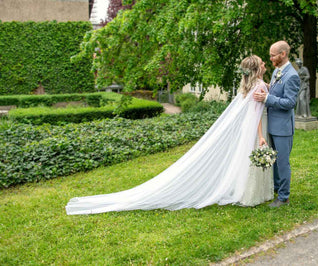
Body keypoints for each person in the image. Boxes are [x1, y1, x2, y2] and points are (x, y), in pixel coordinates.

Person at [66, 55, 273, 215]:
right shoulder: (260, 86)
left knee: (246, 161)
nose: (265, 65)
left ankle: (249, 193)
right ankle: (251, 196)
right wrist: (261, 136)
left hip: (249, 130)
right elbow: (255, 115)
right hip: (256, 130)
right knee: (250, 162)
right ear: (256, 69)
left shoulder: (246, 87)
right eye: (263, 63)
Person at [253, 41, 300, 208]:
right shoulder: (276, 71)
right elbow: (275, 90)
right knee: (274, 161)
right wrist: (264, 87)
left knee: (282, 162)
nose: (270, 58)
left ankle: (284, 197)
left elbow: (289, 102)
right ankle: (277, 188)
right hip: (272, 124)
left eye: (273, 55)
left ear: (283, 54)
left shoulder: (292, 76)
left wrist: (267, 98)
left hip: (283, 128)